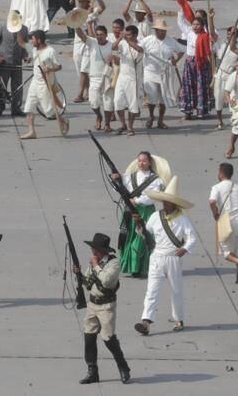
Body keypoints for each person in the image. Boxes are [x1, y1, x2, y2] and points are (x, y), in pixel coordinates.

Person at [134, 177, 198, 335]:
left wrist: (185, 249)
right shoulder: (155, 216)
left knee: (176, 290)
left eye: (168, 202)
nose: (165, 204)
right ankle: (146, 321)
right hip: (156, 257)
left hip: (173, 258)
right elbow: (145, 233)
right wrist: (138, 225)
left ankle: (178, 318)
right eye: (164, 201)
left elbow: (192, 238)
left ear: (175, 203)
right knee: (151, 290)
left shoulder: (183, 219)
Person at [73, 232, 131, 385]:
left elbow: (105, 281)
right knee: (89, 338)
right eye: (93, 250)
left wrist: (95, 265)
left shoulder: (114, 263)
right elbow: (88, 284)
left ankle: (123, 367)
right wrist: (79, 275)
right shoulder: (95, 261)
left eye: (96, 250)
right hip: (92, 304)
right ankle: (92, 371)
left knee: (109, 339)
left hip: (106, 306)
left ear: (104, 251)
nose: (94, 252)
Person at [112, 152, 169, 277]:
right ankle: (133, 266)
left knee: (142, 238)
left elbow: (153, 197)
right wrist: (116, 179)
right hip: (129, 210)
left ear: (149, 162)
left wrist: (136, 200)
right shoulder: (129, 177)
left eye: (144, 161)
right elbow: (119, 188)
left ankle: (140, 266)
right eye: (139, 161)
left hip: (145, 211)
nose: (141, 163)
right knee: (128, 237)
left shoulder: (156, 179)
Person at [15, 29, 65, 139]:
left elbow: (59, 66)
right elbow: (21, 43)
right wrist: (17, 28)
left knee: (49, 112)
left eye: (32, 39)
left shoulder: (50, 51)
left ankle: (63, 121)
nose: (31, 41)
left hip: (45, 84)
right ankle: (31, 132)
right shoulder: (34, 50)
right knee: (28, 108)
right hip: (35, 83)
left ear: (39, 40)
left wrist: (49, 69)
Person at [175, 0, 216, 119]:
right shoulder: (189, 33)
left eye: (198, 24)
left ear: (202, 25)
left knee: (201, 87)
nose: (195, 26)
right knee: (187, 86)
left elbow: (211, 43)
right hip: (190, 63)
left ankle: (201, 111)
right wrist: (182, 5)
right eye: (193, 24)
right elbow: (181, 22)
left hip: (202, 63)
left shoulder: (205, 35)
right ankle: (187, 112)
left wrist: (210, 19)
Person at [209, 163, 238, 286]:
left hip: (227, 222)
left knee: (227, 252)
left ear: (221, 173)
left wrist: (215, 213)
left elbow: (211, 202)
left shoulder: (216, 187)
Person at [140, 18, 184, 129]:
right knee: (152, 95)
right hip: (150, 71)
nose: (162, 32)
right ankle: (151, 115)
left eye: (164, 30)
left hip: (166, 72)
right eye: (160, 30)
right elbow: (139, 49)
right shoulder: (147, 40)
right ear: (155, 30)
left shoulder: (170, 41)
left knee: (163, 98)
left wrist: (176, 59)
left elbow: (182, 50)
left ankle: (160, 120)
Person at [0, 16, 28, 117]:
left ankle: (16, 108)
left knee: (18, 87)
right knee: (1, 87)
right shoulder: (2, 27)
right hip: (4, 63)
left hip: (17, 63)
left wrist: (25, 56)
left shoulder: (24, 29)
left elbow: (24, 44)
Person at [111, 25, 144, 136]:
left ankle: (130, 127)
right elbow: (113, 47)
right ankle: (122, 124)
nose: (126, 36)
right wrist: (120, 38)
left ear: (135, 35)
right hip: (122, 76)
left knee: (133, 104)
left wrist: (128, 41)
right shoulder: (122, 42)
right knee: (117, 102)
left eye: (128, 34)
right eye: (125, 34)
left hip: (133, 78)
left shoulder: (140, 43)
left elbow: (140, 50)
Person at [84, 24, 115, 132]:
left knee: (108, 103)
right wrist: (76, 24)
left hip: (108, 77)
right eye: (97, 35)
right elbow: (81, 35)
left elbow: (118, 61)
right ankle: (98, 116)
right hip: (94, 77)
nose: (99, 37)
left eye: (101, 35)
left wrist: (113, 60)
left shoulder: (112, 45)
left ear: (106, 35)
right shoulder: (92, 43)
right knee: (93, 102)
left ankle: (107, 124)